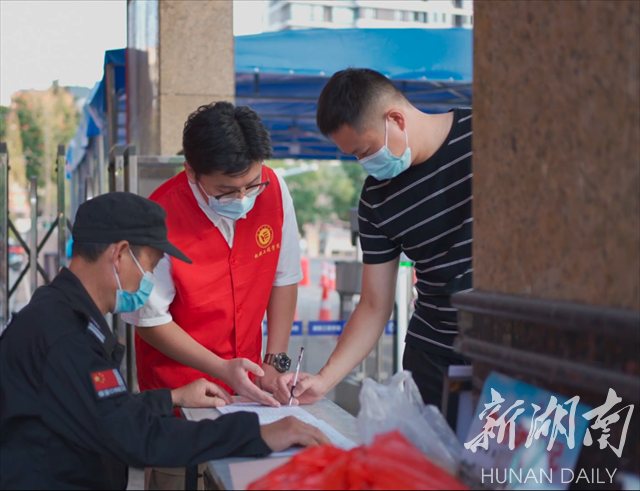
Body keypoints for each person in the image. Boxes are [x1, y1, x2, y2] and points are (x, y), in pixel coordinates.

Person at [0, 193, 329, 491]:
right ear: (120, 255)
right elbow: (135, 437)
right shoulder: (65, 335)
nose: (148, 281)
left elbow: (97, 409)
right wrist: (257, 434)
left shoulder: (60, 312)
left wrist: (172, 397)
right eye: (151, 266)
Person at [275, 68, 472, 427]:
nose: (365, 164)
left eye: (364, 150)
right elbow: (374, 304)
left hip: (515, 356)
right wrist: (323, 380)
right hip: (433, 358)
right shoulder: (377, 200)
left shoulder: (484, 138)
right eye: (354, 156)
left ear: (395, 119)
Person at [121, 102, 303, 488]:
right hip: (179, 395)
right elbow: (150, 320)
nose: (243, 198)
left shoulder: (274, 190)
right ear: (191, 171)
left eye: (251, 184)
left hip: (248, 393)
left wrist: (275, 360)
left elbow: (284, 278)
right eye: (226, 190)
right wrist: (222, 369)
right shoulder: (160, 214)